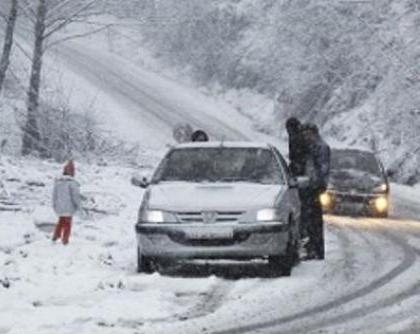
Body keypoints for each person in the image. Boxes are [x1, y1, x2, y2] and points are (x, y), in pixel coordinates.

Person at [300, 124, 330, 260]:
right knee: (312, 219)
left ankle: (316, 250)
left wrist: (318, 185)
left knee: (314, 220)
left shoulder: (320, 147)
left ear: (314, 133)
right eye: (304, 134)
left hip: (314, 188)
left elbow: (322, 169)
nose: (306, 137)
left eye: (308, 134)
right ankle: (314, 248)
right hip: (311, 187)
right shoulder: (312, 147)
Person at [52, 160, 81, 245]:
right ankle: (65, 239)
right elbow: (75, 196)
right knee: (68, 224)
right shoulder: (72, 183)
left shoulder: (58, 182)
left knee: (61, 221)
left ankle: (56, 235)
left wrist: (54, 205)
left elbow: (54, 195)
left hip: (59, 207)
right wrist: (78, 205)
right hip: (69, 207)